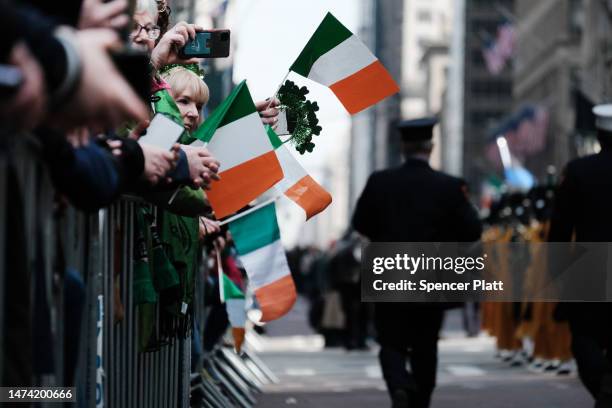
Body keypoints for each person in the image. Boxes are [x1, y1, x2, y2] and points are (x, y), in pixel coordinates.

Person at [352, 118, 482, 408]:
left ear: (403, 147)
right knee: (426, 344)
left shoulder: (379, 181)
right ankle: (420, 399)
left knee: (391, 343)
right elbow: (472, 230)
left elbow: (359, 222)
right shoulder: (449, 186)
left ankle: (400, 385)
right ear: (431, 147)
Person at [549, 104, 612, 407]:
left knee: (584, 338)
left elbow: (559, 232)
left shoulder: (577, 171)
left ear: (598, 135)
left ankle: (603, 388)